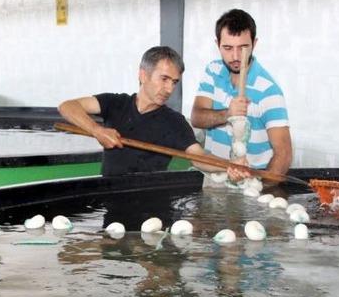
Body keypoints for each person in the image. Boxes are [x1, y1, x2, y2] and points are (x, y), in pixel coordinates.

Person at [58, 46, 245, 179]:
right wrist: (96, 130)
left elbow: (198, 157)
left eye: (174, 82)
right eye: (164, 79)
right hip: (111, 198)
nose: (169, 89)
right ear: (143, 75)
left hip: (152, 204)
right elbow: (67, 106)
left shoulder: (174, 122)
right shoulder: (115, 104)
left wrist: (228, 165)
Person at [191, 9, 292, 177]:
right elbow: (197, 118)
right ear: (217, 44)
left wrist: (260, 191)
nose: (235, 56)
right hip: (213, 178)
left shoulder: (269, 91)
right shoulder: (213, 71)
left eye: (243, 47)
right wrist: (228, 114)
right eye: (228, 48)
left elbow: (284, 154)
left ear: (255, 43)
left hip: (249, 184)